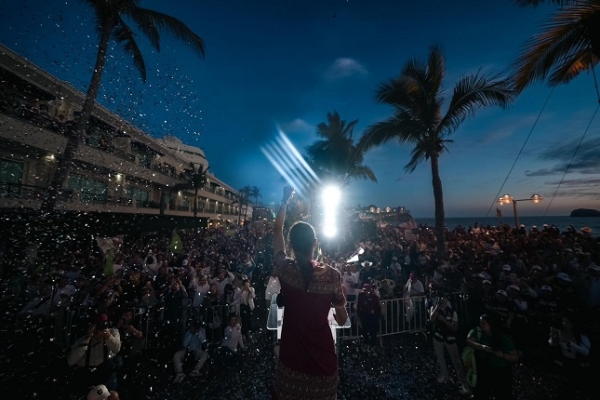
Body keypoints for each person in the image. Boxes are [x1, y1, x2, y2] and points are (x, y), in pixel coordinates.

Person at [271, 186, 347, 400]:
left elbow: (277, 231)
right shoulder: (332, 276)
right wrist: (338, 304)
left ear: (292, 245)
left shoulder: (285, 271)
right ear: (315, 244)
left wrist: (284, 201)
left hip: (291, 363)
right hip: (323, 364)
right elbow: (341, 321)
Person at [466, 314, 518, 399]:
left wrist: (502, 355)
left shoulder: (502, 338)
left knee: (502, 394)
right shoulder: (478, 331)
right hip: (484, 368)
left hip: (501, 371)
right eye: (480, 322)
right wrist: (482, 347)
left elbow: (515, 357)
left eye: (483, 323)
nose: (481, 325)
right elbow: (469, 341)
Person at [68, 314, 122, 393]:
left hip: (105, 372)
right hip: (88, 374)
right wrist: (88, 338)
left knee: (112, 394)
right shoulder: (82, 339)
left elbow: (116, 349)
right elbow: (71, 361)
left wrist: (107, 335)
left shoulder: (112, 332)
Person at [430, 293, 470, 395]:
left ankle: (463, 383)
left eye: (444, 297)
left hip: (449, 338)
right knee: (440, 357)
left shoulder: (453, 312)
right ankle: (444, 374)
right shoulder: (435, 308)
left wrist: (444, 320)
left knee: (456, 360)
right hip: (438, 337)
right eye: (441, 297)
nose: (442, 299)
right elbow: (432, 319)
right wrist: (436, 309)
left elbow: (454, 328)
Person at [548, 315, 592, 398]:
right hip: (566, 362)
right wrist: (552, 339)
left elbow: (586, 352)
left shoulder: (581, 335)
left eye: (567, 322)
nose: (564, 324)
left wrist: (570, 343)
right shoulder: (559, 332)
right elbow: (552, 344)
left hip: (578, 364)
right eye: (563, 321)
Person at [172, 320, 209, 384]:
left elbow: (203, 341)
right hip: (187, 351)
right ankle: (180, 373)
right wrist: (191, 333)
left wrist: (198, 332)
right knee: (176, 355)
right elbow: (185, 344)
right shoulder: (189, 332)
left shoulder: (202, 331)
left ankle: (196, 370)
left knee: (205, 354)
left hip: (197, 351)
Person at [356, 283, 381, 354]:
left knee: (373, 332)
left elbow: (378, 308)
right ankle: (366, 343)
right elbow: (359, 306)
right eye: (365, 291)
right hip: (364, 315)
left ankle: (372, 346)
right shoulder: (361, 296)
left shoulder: (374, 297)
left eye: (367, 291)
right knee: (364, 330)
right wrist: (358, 316)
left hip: (372, 316)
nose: (366, 292)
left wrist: (378, 316)